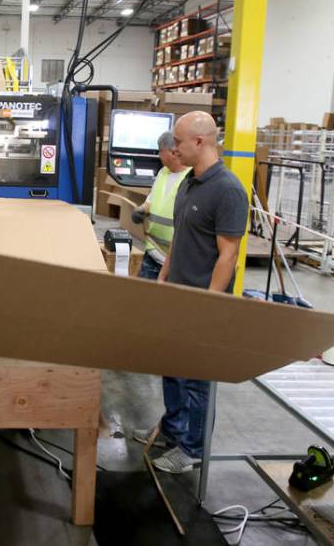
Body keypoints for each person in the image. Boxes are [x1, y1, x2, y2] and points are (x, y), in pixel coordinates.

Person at [131, 111, 249, 474]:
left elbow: (228, 254)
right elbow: (180, 237)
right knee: (171, 367)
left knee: (197, 379)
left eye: (179, 142)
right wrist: (164, 276)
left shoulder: (228, 190)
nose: (174, 149)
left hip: (202, 298)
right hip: (177, 292)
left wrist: (209, 302)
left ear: (200, 142)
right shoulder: (188, 182)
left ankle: (192, 449)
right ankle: (173, 428)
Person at [131, 131, 190, 281]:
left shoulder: (190, 178)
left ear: (172, 152)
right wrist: (142, 209)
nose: (159, 156)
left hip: (174, 260)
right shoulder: (163, 173)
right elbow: (153, 198)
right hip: (152, 251)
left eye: (160, 151)